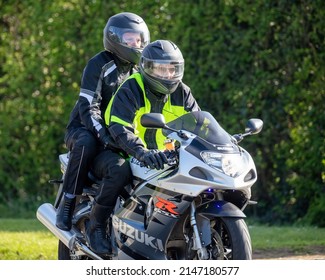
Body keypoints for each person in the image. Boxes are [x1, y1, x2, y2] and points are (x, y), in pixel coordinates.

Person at [88, 39, 200, 255]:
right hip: (118, 151)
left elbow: (198, 124)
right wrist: (140, 151)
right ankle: (97, 225)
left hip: (162, 159)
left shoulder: (183, 92)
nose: (168, 75)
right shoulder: (132, 87)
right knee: (119, 170)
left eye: (172, 69)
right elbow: (119, 127)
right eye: (161, 69)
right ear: (147, 67)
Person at [55, 12, 150, 237]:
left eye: (138, 39)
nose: (135, 44)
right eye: (129, 39)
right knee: (87, 141)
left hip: (115, 137)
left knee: (130, 169)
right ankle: (68, 203)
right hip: (83, 129)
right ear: (114, 38)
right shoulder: (99, 64)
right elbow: (88, 105)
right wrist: (104, 137)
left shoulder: (137, 72)